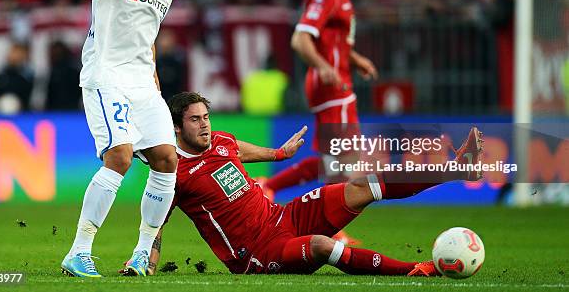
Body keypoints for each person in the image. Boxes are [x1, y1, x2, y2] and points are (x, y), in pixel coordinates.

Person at [136, 92, 482, 276]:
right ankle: (415, 272)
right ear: (176, 128)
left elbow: (238, 148)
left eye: (206, 117)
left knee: (361, 185)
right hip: (256, 254)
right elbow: (155, 223)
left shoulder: (221, 141)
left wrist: (279, 153)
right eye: (195, 120)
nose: (205, 125)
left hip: (283, 218)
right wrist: (145, 262)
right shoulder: (175, 173)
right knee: (320, 246)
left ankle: (458, 169)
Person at [61, 0, 179, 278]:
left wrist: (155, 81)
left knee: (166, 159)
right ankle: (79, 252)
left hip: (143, 81)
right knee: (120, 158)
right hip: (106, 75)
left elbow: (149, 37)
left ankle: (142, 253)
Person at [262, 0, 378, 239]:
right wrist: (325, 67)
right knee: (346, 164)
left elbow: (334, 42)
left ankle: (270, 185)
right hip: (331, 87)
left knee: (334, 161)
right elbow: (300, 39)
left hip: (338, 84)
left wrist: (356, 59)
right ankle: (331, 230)